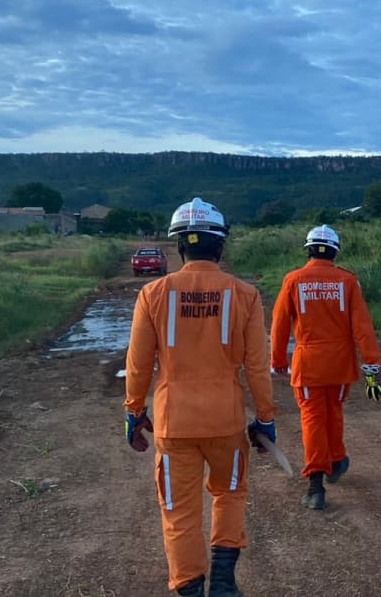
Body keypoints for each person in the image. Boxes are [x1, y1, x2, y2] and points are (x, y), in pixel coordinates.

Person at [124, 197, 277, 597]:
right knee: (229, 494)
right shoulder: (244, 295)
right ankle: (224, 584)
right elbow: (258, 367)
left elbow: (138, 365)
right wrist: (265, 418)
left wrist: (134, 413)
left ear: (180, 247)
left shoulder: (153, 294)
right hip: (225, 422)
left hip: (175, 425)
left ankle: (190, 588)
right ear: (220, 246)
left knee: (179, 512)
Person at [271, 224, 381, 510]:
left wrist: (278, 360)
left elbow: (280, 324)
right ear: (334, 251)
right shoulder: (348, 281)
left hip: (308, 365)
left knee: (312, 420)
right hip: (341, 365)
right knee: (333, 414)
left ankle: (316, 483)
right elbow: (362, 327)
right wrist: (371, 363)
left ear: (308, 249)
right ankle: (336, 460)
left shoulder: (293, 279)